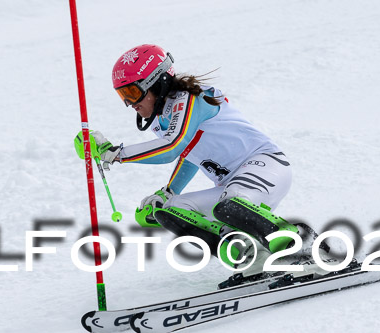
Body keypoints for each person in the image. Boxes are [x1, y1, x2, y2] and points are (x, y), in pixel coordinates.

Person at [75, 44, 297, 268]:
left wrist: (115, 154)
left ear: (156, 82)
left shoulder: (190, 98)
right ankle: (251, 255)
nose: (130, 103)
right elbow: (187, 154)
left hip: (266, 165)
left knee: (228, 206)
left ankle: (298, 244)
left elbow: (171, 147)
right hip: (230, 185)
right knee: (169, 210)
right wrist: (169, 191)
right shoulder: (163, 120)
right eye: (123, 95)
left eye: (132, 92)